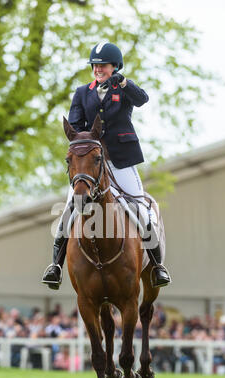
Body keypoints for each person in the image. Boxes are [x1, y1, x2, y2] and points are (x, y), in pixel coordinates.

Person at [42, 42, 171, 290]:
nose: (98, 69)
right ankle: (55, 266)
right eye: (95, 66)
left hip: (121, 160)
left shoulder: (123, 89)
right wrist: (85, 146)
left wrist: (124, 83)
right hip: (91, 164)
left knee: (140, 208)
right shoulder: (82, 92)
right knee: (70, 209)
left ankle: (157, 266)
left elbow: (142, 99)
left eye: (103, 65)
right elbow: (78, 125)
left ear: (114, 67)